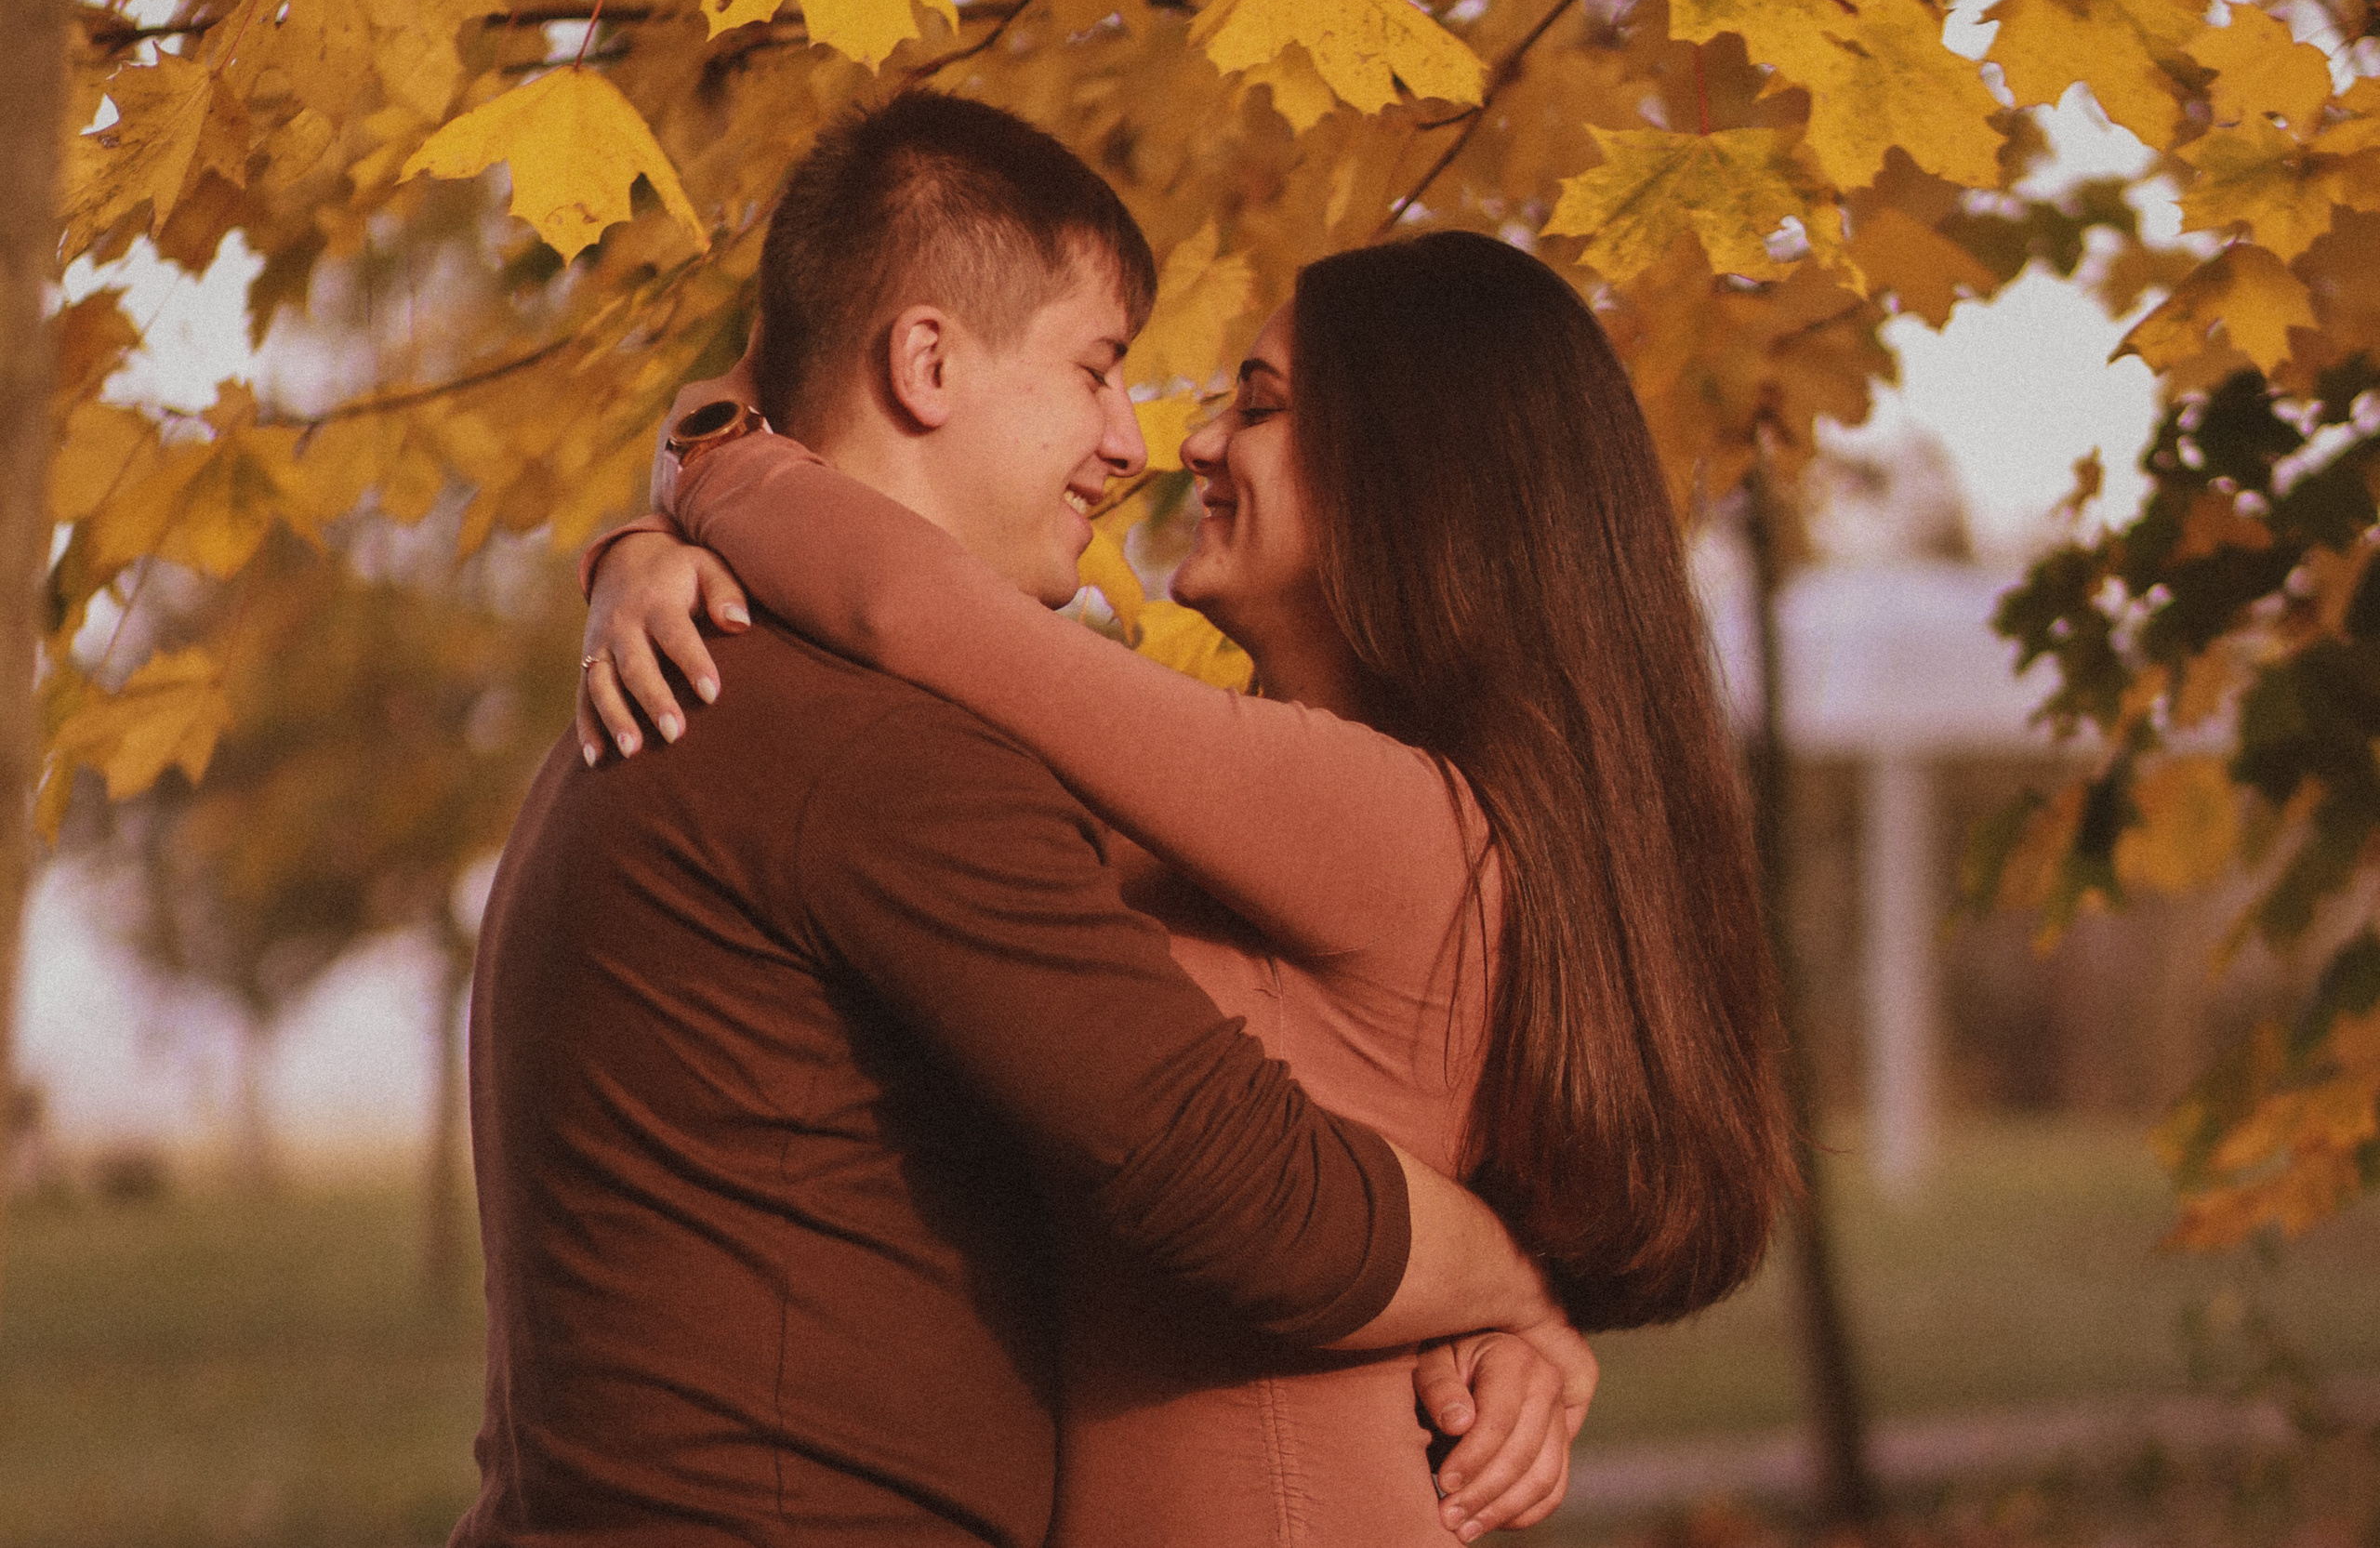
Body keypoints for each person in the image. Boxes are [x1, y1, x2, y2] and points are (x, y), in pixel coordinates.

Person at [461, 92, 1593, 1548]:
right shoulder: (870, 748)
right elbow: (1249, 1186)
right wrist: (1517, 1287)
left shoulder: (714, 697)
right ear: (927, 362)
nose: (1141, 442)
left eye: (1243, 399)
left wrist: (674, 496)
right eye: (1099, 369)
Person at [584, 226, 1802, 1544]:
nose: (1195, 445)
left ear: (1418, 479)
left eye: (1261, 406)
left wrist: (699, 462)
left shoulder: (1383, 812)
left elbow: (912, 613)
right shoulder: (1260, 825)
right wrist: (643, 557)